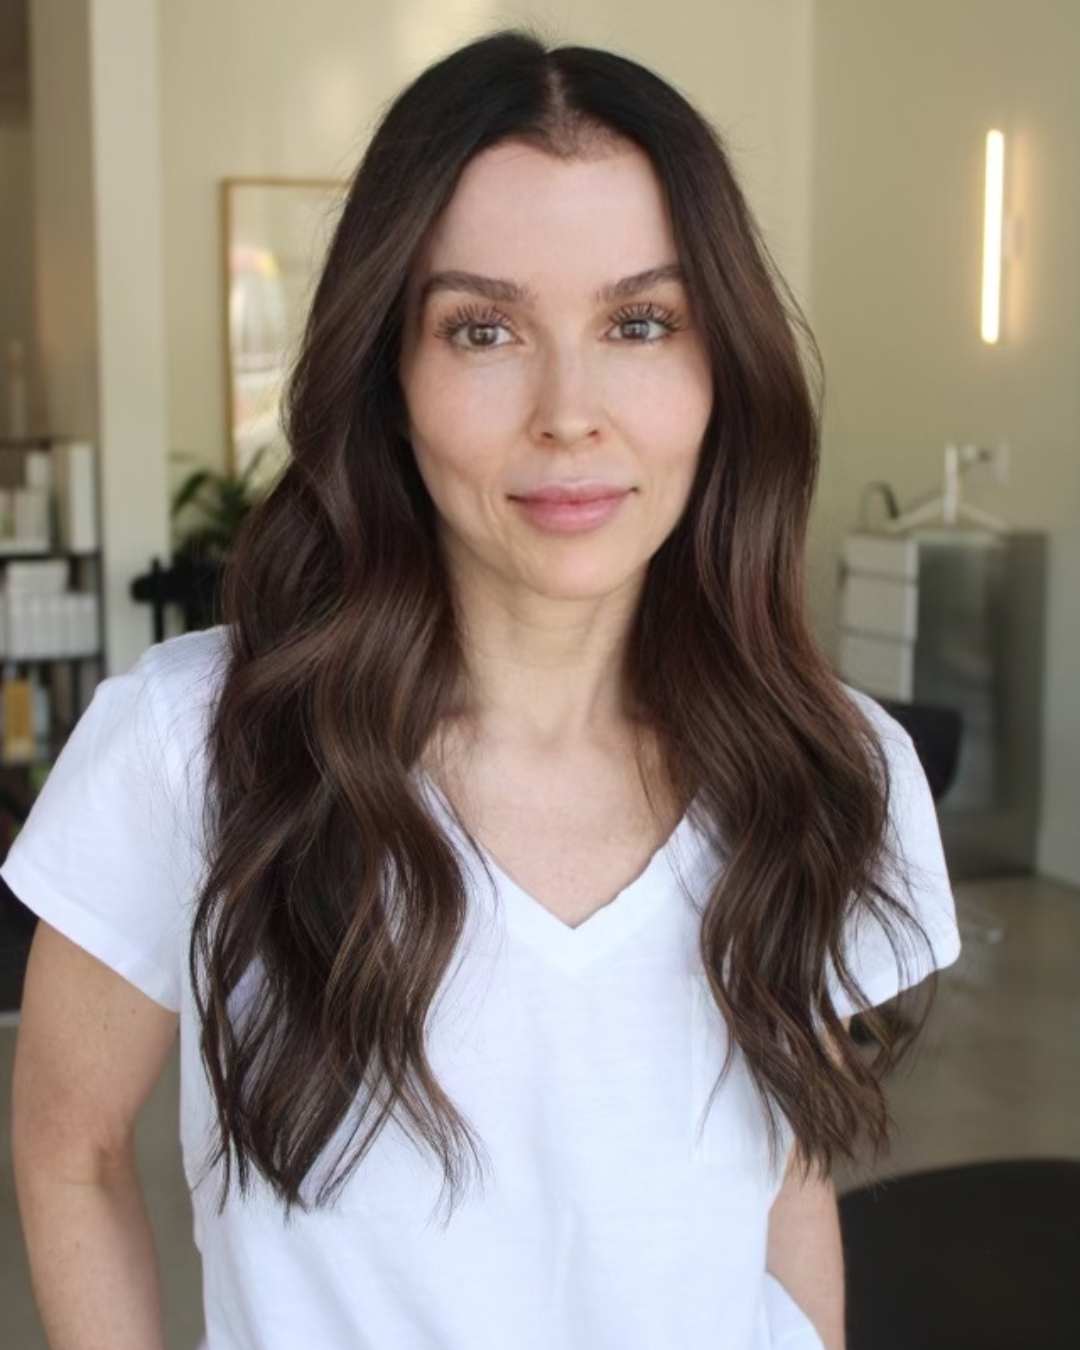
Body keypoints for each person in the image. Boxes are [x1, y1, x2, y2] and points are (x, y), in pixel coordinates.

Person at [7, 30, 960, 1350]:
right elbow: (68, 1146)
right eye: (484, 327)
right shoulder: (196, 750)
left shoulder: (833, 769)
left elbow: (784, 1175)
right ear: (389, 376)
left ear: (719, 370)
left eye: (640, 321)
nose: (570, 409)